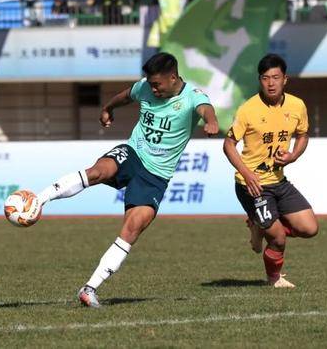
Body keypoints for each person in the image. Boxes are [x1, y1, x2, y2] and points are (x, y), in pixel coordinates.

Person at [34, 52, 219, 308]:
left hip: (156, 175)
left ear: (173, 78)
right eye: (150, 84)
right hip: (133, 153)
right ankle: (38, 200)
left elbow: (206, 109)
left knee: (133, 228)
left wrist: (211, 121)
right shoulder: (145, 87)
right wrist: (108, 108)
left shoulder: (192, 96)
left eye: (157, 84)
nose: (152, 89)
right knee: (98, 171)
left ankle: (89, 289)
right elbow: (126, 95)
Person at [223, 53, 318, 289]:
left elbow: (303, 135)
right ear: (260, 80)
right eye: (265, 78)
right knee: (278, 238)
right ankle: (274, 278)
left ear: (285, 79)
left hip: (279, 181)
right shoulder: (248, 109)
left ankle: (259, 224)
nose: (271, 83)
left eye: (275, 77)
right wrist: (247, 174)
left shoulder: (297, 105)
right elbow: (228, 145)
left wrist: (293, 155)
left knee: (310, 228)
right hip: (252, 186)